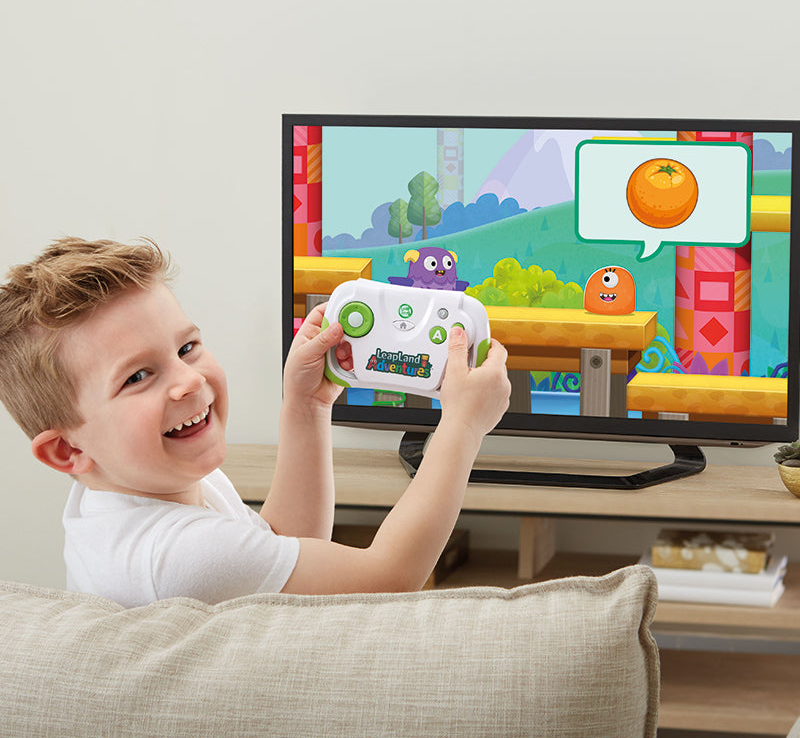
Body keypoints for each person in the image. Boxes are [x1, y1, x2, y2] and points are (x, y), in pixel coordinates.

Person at [0, 237, 510, 606]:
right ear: (66, 451)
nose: (188, 381)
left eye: (186, 348)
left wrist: (307, 406)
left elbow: (279, 550)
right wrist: (462, 427)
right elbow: (387, 579)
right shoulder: (176, 556)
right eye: (137, 376)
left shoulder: (135, 488)